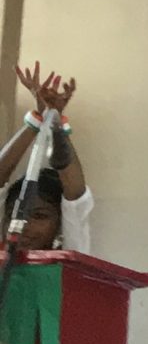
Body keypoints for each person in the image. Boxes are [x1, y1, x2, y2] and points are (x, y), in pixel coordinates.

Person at [5, 66, 89, 252]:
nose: (23, 225)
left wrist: (54, 120)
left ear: (60, 224)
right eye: (13, 214)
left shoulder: (71, 251)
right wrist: (38, 118)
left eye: (39, 216)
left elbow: (75, 197)